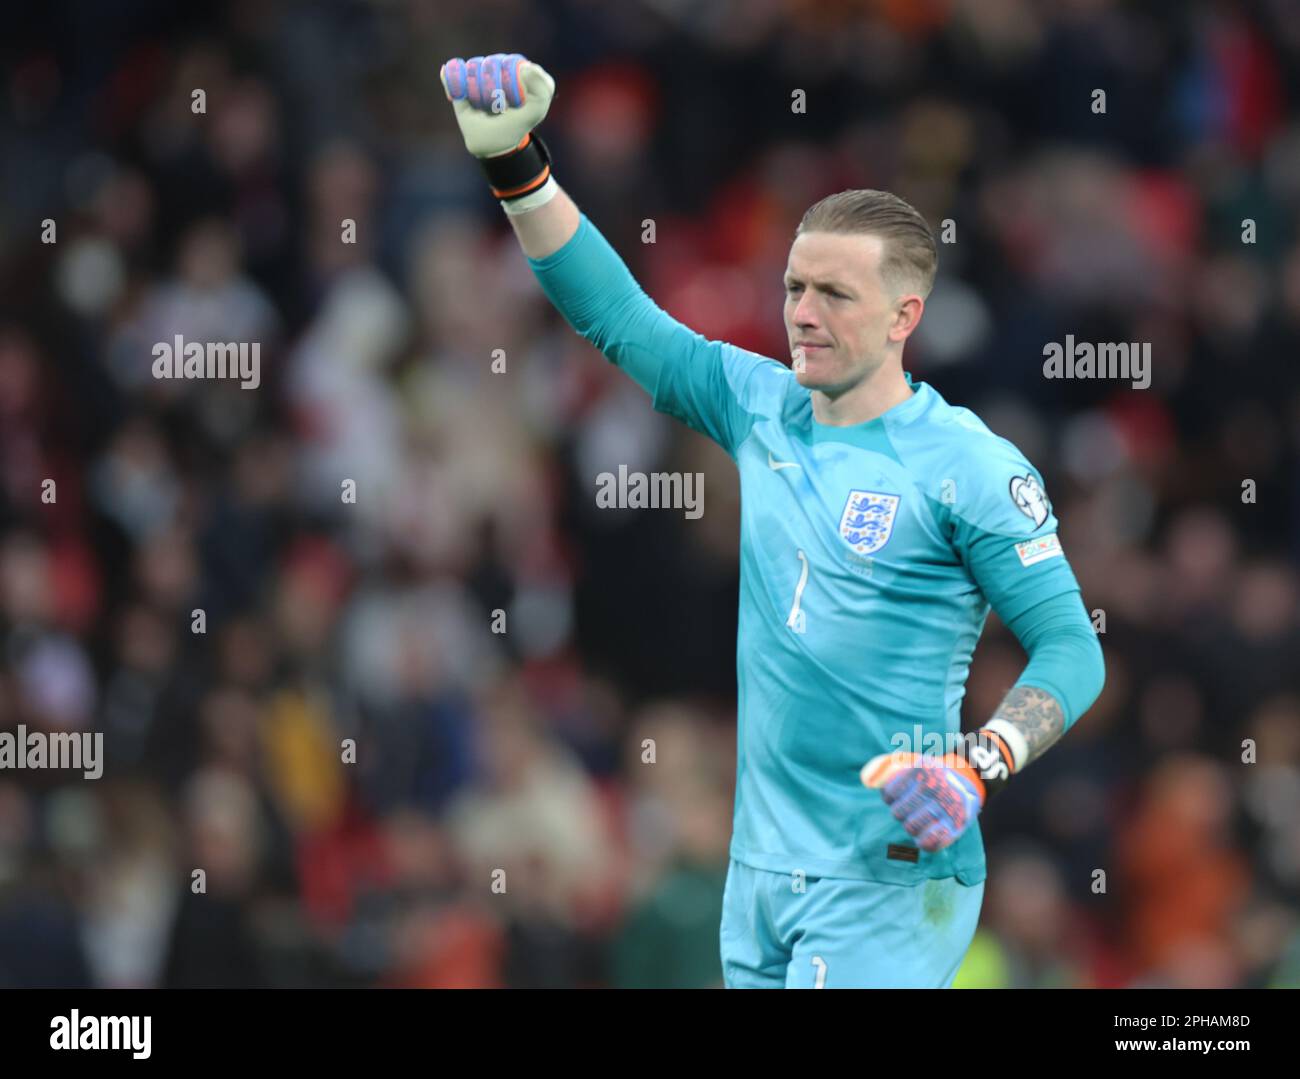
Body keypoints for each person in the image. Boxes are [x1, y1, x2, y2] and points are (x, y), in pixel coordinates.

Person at [439, 54, 1105, 988]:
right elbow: (614, 316)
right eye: (795, 287)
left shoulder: (970, 468)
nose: (801, 313)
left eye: (835, 294)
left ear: (905, 314)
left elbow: (1073, 648)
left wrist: (979, 761)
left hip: (889, 871)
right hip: (760, 873)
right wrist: (516, 162)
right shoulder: (760, 407)